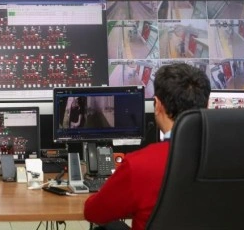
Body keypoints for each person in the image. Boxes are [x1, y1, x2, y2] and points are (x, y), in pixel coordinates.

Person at [83, 63, 211, 230]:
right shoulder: (233, 160)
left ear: (157, 105)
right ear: (207, 105)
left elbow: (93, 213)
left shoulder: (139, 165)